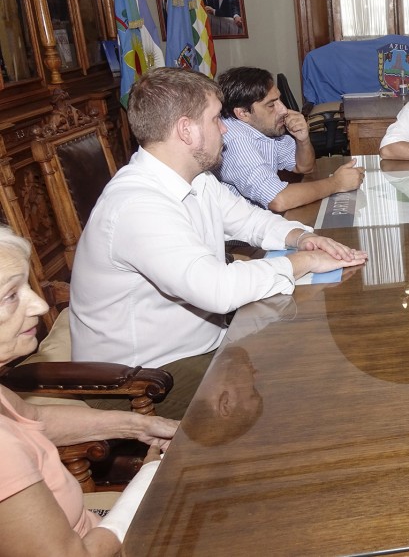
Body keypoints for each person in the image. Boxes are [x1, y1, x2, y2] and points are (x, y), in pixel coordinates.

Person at [69, 68, 368, 419]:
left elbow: (251, 220)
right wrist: (304, 262)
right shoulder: (138, 205)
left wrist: (304, 238)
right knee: (293, 396)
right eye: (215, 119)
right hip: (137, 376)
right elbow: (218, 290)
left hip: (198, 343)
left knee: (307, 359)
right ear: (186, 130)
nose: (225, 129)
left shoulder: (194, 179)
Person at [0, 226, 178, 556]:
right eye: (11, 296)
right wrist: (149, 479)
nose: (40, 305)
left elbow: (35, 419)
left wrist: (140, 426)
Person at [216, 66, 364, 212]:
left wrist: (303, 140)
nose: (284, 110)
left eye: (279, 100)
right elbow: (278, 200)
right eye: (271, 105)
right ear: (242, 113)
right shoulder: (237, 141)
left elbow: (305, 167)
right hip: (244, 226)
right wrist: (336, 183)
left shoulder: (263, 129)